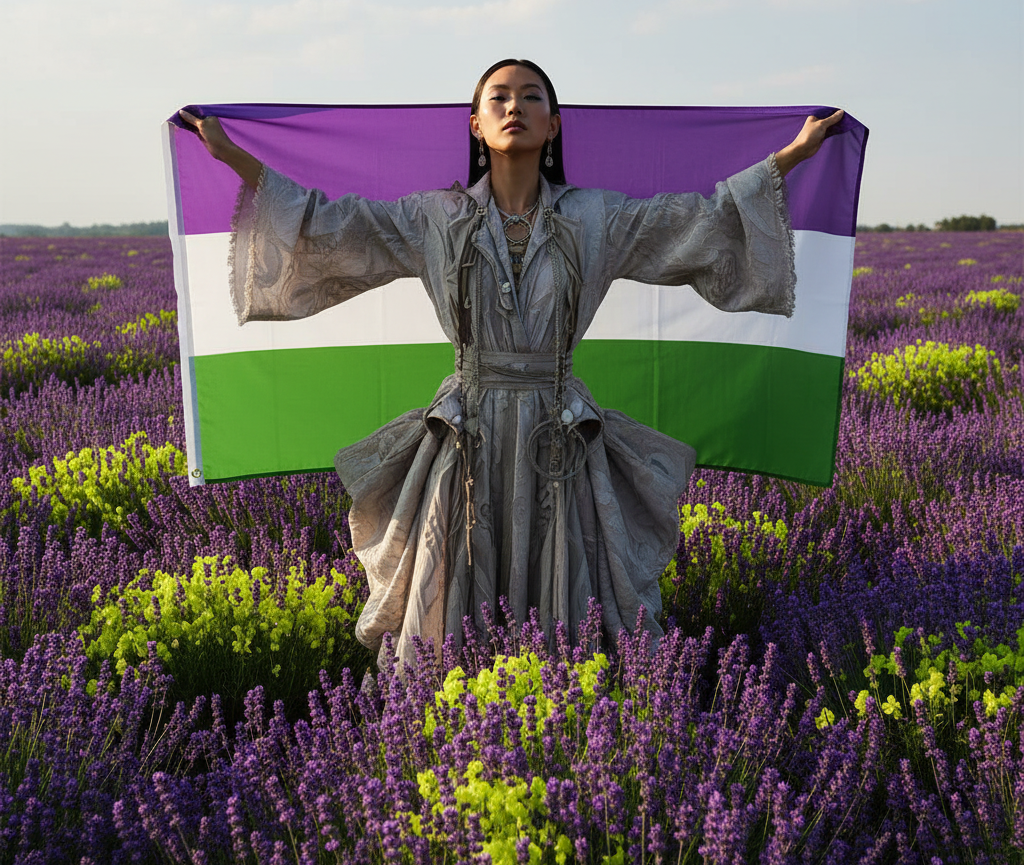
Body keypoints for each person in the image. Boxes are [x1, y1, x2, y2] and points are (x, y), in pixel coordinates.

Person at [178, 58, 842, 669]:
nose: (514, 106)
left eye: (531, 97)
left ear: (554, 125)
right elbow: (336, 227)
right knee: (451, 590)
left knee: (568, 599)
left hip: (560, 432)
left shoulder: (596, 217)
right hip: (466, 429)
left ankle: (566, 724)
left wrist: (790, 158)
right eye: (498, 97)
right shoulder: (435, 216)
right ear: (475, 123)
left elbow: (695, 221)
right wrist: (238, 161)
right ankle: (449, 732)